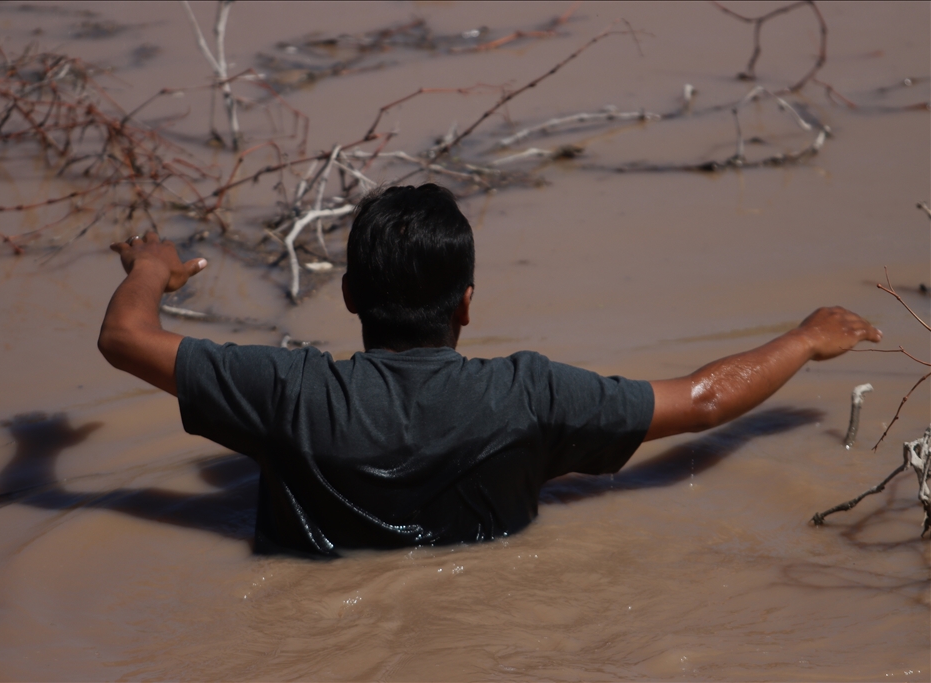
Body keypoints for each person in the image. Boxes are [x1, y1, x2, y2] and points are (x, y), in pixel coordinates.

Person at [98, 184, 882, 557]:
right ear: (467, 304)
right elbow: (704, 401)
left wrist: (153, 267)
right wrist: (804, 340)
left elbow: (125, 338)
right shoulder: (530, 396)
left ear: (350, 297)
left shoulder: (285, 393)